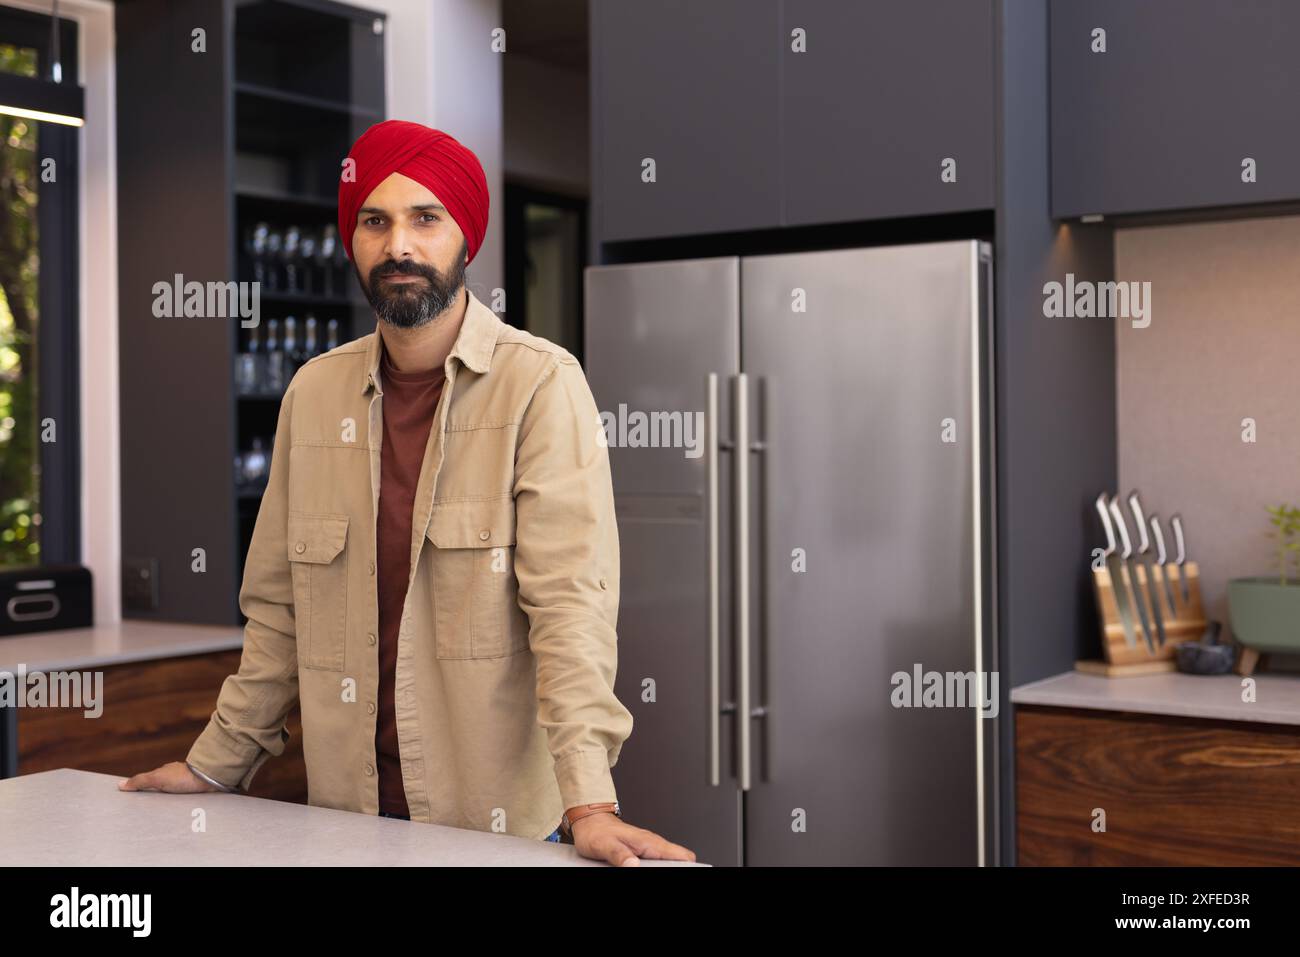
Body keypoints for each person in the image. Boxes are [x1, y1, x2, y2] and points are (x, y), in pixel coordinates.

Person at [120, 120, 695, 868]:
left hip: (495, 836)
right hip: (346, 826)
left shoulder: (540, 385)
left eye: (426, 219)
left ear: (465, 240)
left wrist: (589, 800)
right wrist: (213, 764)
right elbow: (277, 616)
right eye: (375, 221)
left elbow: (570, 609)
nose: (399, 245)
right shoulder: (312, 393)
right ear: (353, 241)